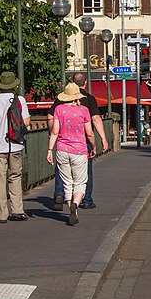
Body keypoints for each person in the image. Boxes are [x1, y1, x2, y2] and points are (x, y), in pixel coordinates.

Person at [48, 71, 108, 211]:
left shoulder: (59, 102)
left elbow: (50, 118)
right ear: (85, 83)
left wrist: (52, 138)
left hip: (62, 144)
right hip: (82, 143)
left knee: (63, 171)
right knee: (84, 173)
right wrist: (102, 139)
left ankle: (59, 194)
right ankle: (85, 199)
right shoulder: (88, 100)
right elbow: (95, 120)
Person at [0, 71, 31, 223]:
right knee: (15, 177)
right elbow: (27, 122)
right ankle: (17, 210)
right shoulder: (19, 100)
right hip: (15, 144)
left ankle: (1, 214)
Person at [47, 83, 95, 226]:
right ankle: (75, 203)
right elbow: (89, 133)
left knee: (67, 182)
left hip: (62, 150)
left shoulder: (59, 109)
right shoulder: (84, 110)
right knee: (80, 181)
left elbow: (55, 131)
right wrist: (93, 145)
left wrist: (50, 150)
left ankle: (72, 210)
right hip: (79, 150)